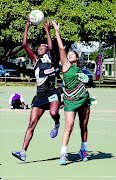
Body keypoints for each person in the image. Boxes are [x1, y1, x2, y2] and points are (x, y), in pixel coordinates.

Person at [12, 18, 61, 161]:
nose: (40, 47)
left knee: (53, 113)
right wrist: (27, 26)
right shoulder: (35, 60)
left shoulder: (51, 57)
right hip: (40, 96)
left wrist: (47, 30)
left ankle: (57, 123)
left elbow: (51, 47)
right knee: (31, 124)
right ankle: (23, 152)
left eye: (42, 46)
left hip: (52, 92)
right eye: (39, 47)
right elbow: (24, 44)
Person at [52, 20, 92, 165]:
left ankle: (83, 149)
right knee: (69, 126)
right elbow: (61, 48)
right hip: (70, 100)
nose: (68, 55)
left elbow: (88, 82)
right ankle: (63, 153)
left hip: (83, 98)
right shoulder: (66, 66)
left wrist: (85, 79)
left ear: (76, 57)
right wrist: (56, 31)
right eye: (67, 54)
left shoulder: (80, 71)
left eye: (71, 54)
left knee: (84, 125)